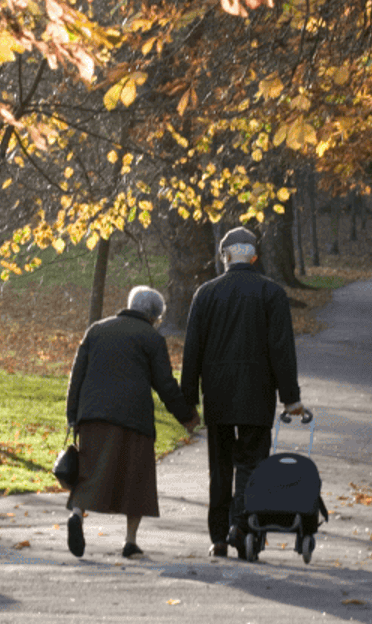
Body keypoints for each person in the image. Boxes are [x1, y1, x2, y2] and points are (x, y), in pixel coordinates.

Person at [180, 226, 307, 560]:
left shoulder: (205, 294)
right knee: (252, 463)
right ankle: (243, 527)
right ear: (254, 256)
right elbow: (282, 350)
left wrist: (187, 403)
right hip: (256, 394)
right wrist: (290, 397)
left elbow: (191, 352)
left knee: (220, 468)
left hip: (218, 396)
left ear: (225, 258)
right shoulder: (271, 294)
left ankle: (219, 537)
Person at [64, 285, 199, 559]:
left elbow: (76, 375)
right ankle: (129, 541)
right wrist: (187, 416)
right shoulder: (151, 338)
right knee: (136, 480)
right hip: (133, 418)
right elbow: (165, 385)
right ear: (154, 316)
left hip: (93, 415)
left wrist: (72, 416)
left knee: (89, 471)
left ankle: (77, 514)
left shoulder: (97, 329)